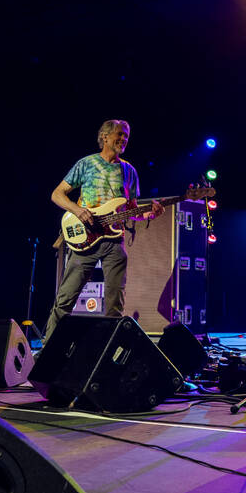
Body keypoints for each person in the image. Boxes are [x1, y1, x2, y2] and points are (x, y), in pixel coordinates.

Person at [46, 120, 163, 339]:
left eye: (127, 136)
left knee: (114, 305)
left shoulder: (129, 171)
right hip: (85, 241)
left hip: (114, 242)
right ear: (105, 137)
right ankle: (46, 353)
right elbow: (57, 194)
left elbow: (133, 211)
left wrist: (150, 214)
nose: (124, 139)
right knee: (65, 300)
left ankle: (106, 355)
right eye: (120, 134)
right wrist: (78, 210)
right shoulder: (87, 164)